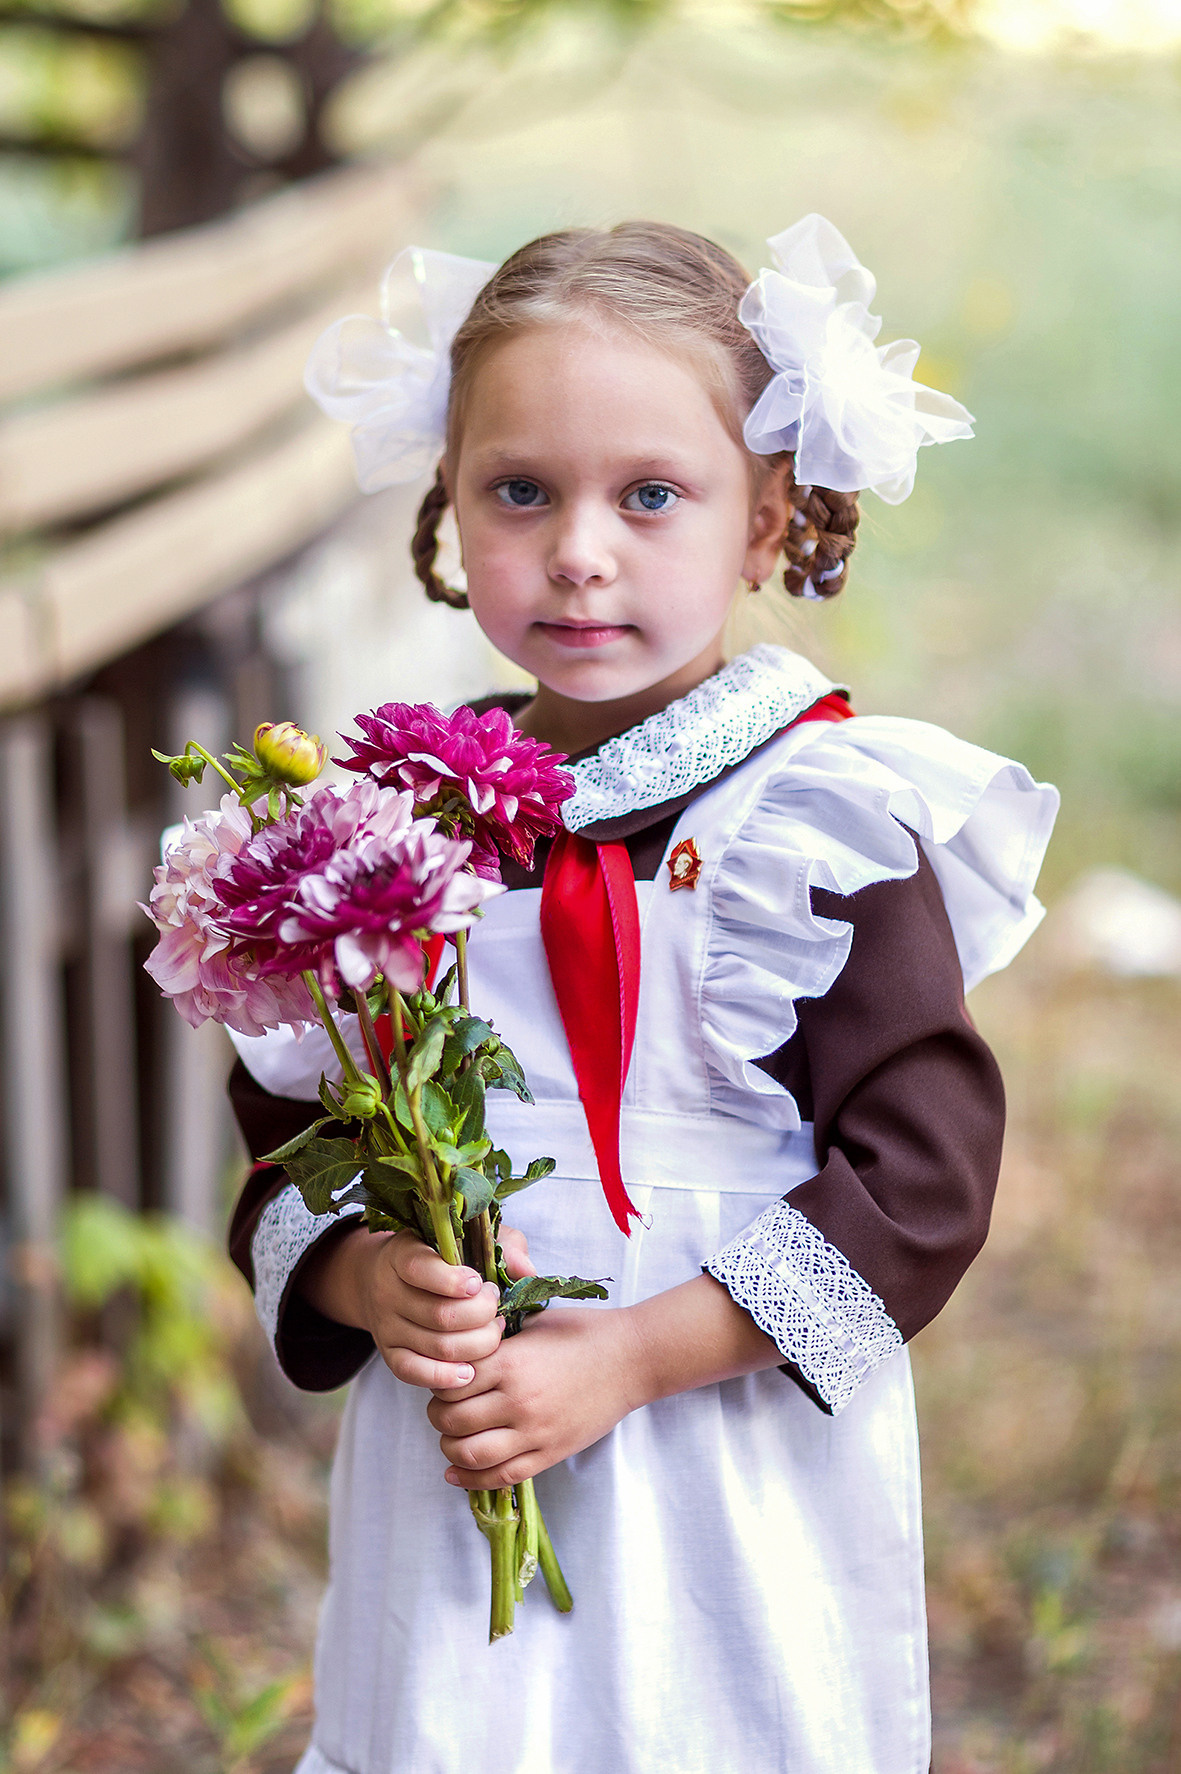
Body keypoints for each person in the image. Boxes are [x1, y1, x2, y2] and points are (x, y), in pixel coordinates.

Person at [226, 217, 1058, 1774]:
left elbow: (924, 1185)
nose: (579, 548)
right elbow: (286, 1135)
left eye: (650, 495)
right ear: (450, 506)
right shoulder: (388, 829)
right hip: (462, 1442)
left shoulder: (817, 826)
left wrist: (625, 1358)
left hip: (716, 1455)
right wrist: (359, 1277)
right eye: (519, 489)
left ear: (764, 524)